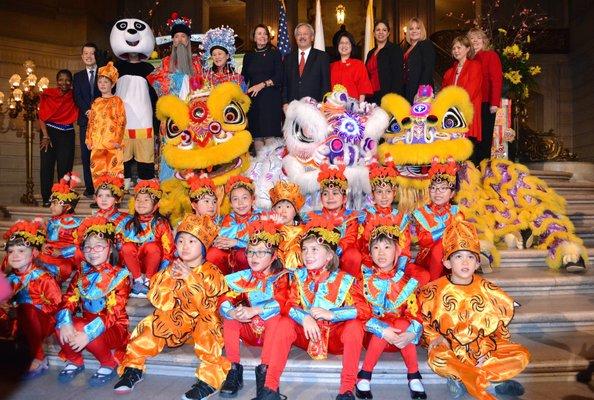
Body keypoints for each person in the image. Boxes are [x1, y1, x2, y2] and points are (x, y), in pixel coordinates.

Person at [114, 214, 230, 400]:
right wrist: (169, 281)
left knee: (209, 327)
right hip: (177, 324)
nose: (185, 245)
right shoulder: (170, 269)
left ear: (203, 247)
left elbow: (209, 308)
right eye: (181, 240)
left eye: (192, 241)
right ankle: (133, 368)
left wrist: (190, 279)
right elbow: (159, 301)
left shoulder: (212, 272)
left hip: (202, 324)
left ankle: (208, 381)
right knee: (151, 323)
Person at [418, 216, 530, 399]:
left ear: (478, 263)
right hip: (451, 347)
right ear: (447, 263)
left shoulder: (489, 290)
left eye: (471, 257)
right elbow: (422, 320)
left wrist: (490, 353)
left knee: (521, 354)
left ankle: (465, 377)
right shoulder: (432, 290)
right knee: (437, 357)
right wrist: (435, 337)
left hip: (482, 350)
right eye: (458, 257)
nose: (465, 262)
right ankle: (491, 381)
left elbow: (499, 328)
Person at [257, 215, 368, 400]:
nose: (308, 254)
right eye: (305, 249)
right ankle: (270, 388)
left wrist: (333, 314)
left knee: (355, 327)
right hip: (307, 336)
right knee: (284, 322)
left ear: (329, 255)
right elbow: (287, 304)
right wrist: (305, 317)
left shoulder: (345, 279)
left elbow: (364, 309)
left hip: (334, 337)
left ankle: (347, 390)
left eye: (315, 249)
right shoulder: (297, 275)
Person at [355, 215, 426, 400]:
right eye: (376, 247)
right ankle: (365, 373)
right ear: (369, 253)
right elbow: (361, 314)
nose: (381, 253)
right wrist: (382, 329)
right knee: (386, 322)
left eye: (387, 247)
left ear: (397, 251)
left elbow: (415, 313)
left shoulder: (406, 282)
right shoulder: (363, 280)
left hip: (402, 341)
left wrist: (412, 333)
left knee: (403, 322)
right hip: (373, 338)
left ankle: (413, 374)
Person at [55, 216, 130, 387]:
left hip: (113, 327)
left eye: (98, 246)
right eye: (87, 247)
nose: (92, 251)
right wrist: (66, 321)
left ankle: (107, 362)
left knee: (81, 326)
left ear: (110, 249)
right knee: (60, 322)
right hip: (87, 322)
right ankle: (75, 360)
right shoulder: (81, 273)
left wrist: (88, 333)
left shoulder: (120, 275)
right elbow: (68, 299)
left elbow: (114, 313)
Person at [218, 220, 290, 398]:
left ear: (273, 256)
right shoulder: (241, 277)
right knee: (230, 316)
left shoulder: (281, 277)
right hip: (249, 331)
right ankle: (233, 368)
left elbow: (283, 301)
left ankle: (265, 370)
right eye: (250, 252)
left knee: (276, 318)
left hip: (271, 335)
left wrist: (254, 310)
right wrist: (231, 311)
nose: (253, 257)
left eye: (260, 252)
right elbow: (224, 298)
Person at [4, 220, 61, 379]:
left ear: (34, 253)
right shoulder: (10, 278)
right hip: (19, 320)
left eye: (21, 250)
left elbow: (57, 304)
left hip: (43, 321)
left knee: (26, 309)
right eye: (11, 251)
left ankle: (39, 357)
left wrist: (29, 306)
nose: (15, 255)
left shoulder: (42, 277)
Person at [110, 18, 158, 187]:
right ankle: (122, 186)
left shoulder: (149, 69)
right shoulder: (116, 68)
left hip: (144, 120)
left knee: (145, 155)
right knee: (123, 156)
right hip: (123, 121)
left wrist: (157, 122)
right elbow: (107, 90)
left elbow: (155, 97)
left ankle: (146, 186)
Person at [301, 164, 362, 277]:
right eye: (325, 194)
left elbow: (350, 239)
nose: (330, 198)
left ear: (344, 198)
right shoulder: (313, 216)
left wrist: (334, 250)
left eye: (335, 193)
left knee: (354, 255)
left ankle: (348, 285)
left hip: (341, 254)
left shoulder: (350, 217)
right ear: (320, 198)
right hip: (317, 255)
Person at [120, 179, 174, 298]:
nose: (141, 203)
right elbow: (123, 249)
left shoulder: (161, 223)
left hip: (155, 265)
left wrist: (161, 272)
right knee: (127, 246)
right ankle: (138, 281)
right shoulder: (129, 223)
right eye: (138, 199)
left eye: (146, 200)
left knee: (152, 246)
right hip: (135, 267)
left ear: (155, 203)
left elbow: (168, 250)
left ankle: (149, 282)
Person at [411, 161, 460, 283]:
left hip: (452, 257)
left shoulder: (457, 212)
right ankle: (434, 287)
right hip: (428, 258)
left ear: (452, 193)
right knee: (438, 247)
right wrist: (448, 229)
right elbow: (424, 240)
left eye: (443, 188)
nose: (438, 192)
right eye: (434, 188)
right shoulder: (421, 213)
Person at [38, 69, 78, 207]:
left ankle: (63, 196)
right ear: (57, 81)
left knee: (65, 167)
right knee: (46, 167)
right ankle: (46, 198)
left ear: (71, 83)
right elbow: (41, 116)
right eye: (61, 79)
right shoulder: (48, 94)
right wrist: (45, 135)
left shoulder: (74, 95)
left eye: (67, 80)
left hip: (67, 133)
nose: (64, 83)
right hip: (48, 134)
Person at [207, 176, 260, 275]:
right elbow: (219, 239)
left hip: (251, 262)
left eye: (244, 198)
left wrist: (237, 242)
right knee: (213, 253)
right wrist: (217, 242)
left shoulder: (261, 218)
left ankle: (244, 286)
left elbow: (262, 248)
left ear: (253, 199)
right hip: (228, 261)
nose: (240, 203)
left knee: (242, 255)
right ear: (230, 203)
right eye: (235, 199)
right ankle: (220, 284)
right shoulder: (226, 219)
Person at [35, 173, 82, 283]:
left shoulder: (77, 223)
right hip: (49, 253)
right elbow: (45, 238)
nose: (51, 207)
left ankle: (50, 284)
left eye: (55, 204)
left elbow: (80, 246)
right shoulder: (51, 221)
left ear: (68, 206)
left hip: (66, 257)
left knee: (65, 267)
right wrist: (42, 245)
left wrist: (62, 252)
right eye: (51, 204)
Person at [242, 24, 283, 148]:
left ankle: (272, 166)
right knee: (257, 138)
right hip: (254, 102)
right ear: (254, 37)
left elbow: (280, 77)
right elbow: (243, 79)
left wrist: (262, 85)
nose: (262, 36)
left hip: (271, 101)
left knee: (270, 139)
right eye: (259, 33)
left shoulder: (274, 53)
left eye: (265, 33)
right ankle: (259, 166)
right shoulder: (248, 56)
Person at [86, 61, 126, 184]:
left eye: (106, 82)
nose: (102, 84)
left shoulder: (117, 101)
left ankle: (115, 198)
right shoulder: (96, 102)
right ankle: (101, 198)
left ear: (112, 84)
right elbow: (91, 122)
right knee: (97, 171)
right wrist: (88, 139)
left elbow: (122, 121)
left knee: (114, 170)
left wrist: (118, 141)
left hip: (112, 143)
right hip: (97, 143)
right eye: (100, 82)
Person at [468, 27, 503, 164]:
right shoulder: (468, 59)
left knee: (484, 138)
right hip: (471, 104)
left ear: (484, 40)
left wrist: (494, 102)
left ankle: (482, 170)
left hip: (486, 102)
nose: (475, 40)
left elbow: (496, 79)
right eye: (472, 38)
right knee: (472, 139)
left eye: (478, 38)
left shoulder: (491, 55)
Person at [148, 12, 202, 99]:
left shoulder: (196, 62)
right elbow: (155, 80)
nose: (180, 40)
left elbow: (203, 83)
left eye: (183, 36)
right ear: (173, 40)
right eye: (176, 36)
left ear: (188, 40)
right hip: (173, 106)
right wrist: (181, 79)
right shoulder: (165, 62)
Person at [442, 36, 483, 148]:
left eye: (459, 48)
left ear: (468, 49)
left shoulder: (475, 66)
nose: (456, 51)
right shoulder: (449, 72)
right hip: (453, 114)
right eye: (454, 48)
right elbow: (444, 94)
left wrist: (456, 105)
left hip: (468, 112)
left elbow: (471, 91)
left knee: (469, 148)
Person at [73, 42, 101, 197]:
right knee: (86, 155)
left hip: (102, 122)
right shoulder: (77, 77)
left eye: (92, 53)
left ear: (96, 56)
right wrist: (87, 111)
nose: (89, 56)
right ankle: (90, 188)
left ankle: (101, 186)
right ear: (82, 56)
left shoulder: (104, 73)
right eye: (86, 53)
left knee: (100, 154)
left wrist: (97, 111)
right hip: (85, 121)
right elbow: (77, 97)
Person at [282, 22, 330, 109]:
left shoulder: (322, 57)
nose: (302, 37)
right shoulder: (288, 58)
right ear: (295, 38)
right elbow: (285, 84)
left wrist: (323, 105)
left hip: (315, 108)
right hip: (292, 108)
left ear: (312, 37)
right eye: (299, 34)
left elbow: (325, 85)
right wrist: (285, 103)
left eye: (305, 34)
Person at [269, 181, 305, 270]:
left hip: (296, 268)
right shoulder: (270, 229)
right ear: (274, 210)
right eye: (279, 207)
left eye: (288, 207)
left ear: (296, 211)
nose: (283, 211)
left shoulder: (303, 230)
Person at [365, 21, 404, 104]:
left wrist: (393, 98)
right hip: (370, 95)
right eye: (378, 30)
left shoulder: (395, 49)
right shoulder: (371, 53)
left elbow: (398, 77)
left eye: (384, 30)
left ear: (388, 33)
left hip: (387, 95)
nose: (381, 32)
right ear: (374, 33)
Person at [331, 31, 373, 102]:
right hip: (334, 107)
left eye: (347, 43)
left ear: (351, 46)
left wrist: (360, 106)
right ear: (337, 46)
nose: (344, 45)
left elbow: (363, 87)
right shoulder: (331, 66)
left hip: (353, 107)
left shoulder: (359, 65)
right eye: (341, 43)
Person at [402, 18, 435, 104]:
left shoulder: (426, 44)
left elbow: (428, 69)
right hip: (408, 88)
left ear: (422, 31)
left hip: (421, 90)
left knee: (420, 117)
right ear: (408, 32)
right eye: (411, 28)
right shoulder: (407, 48)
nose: (414, 31)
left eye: (417, 28)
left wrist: (421, 91)